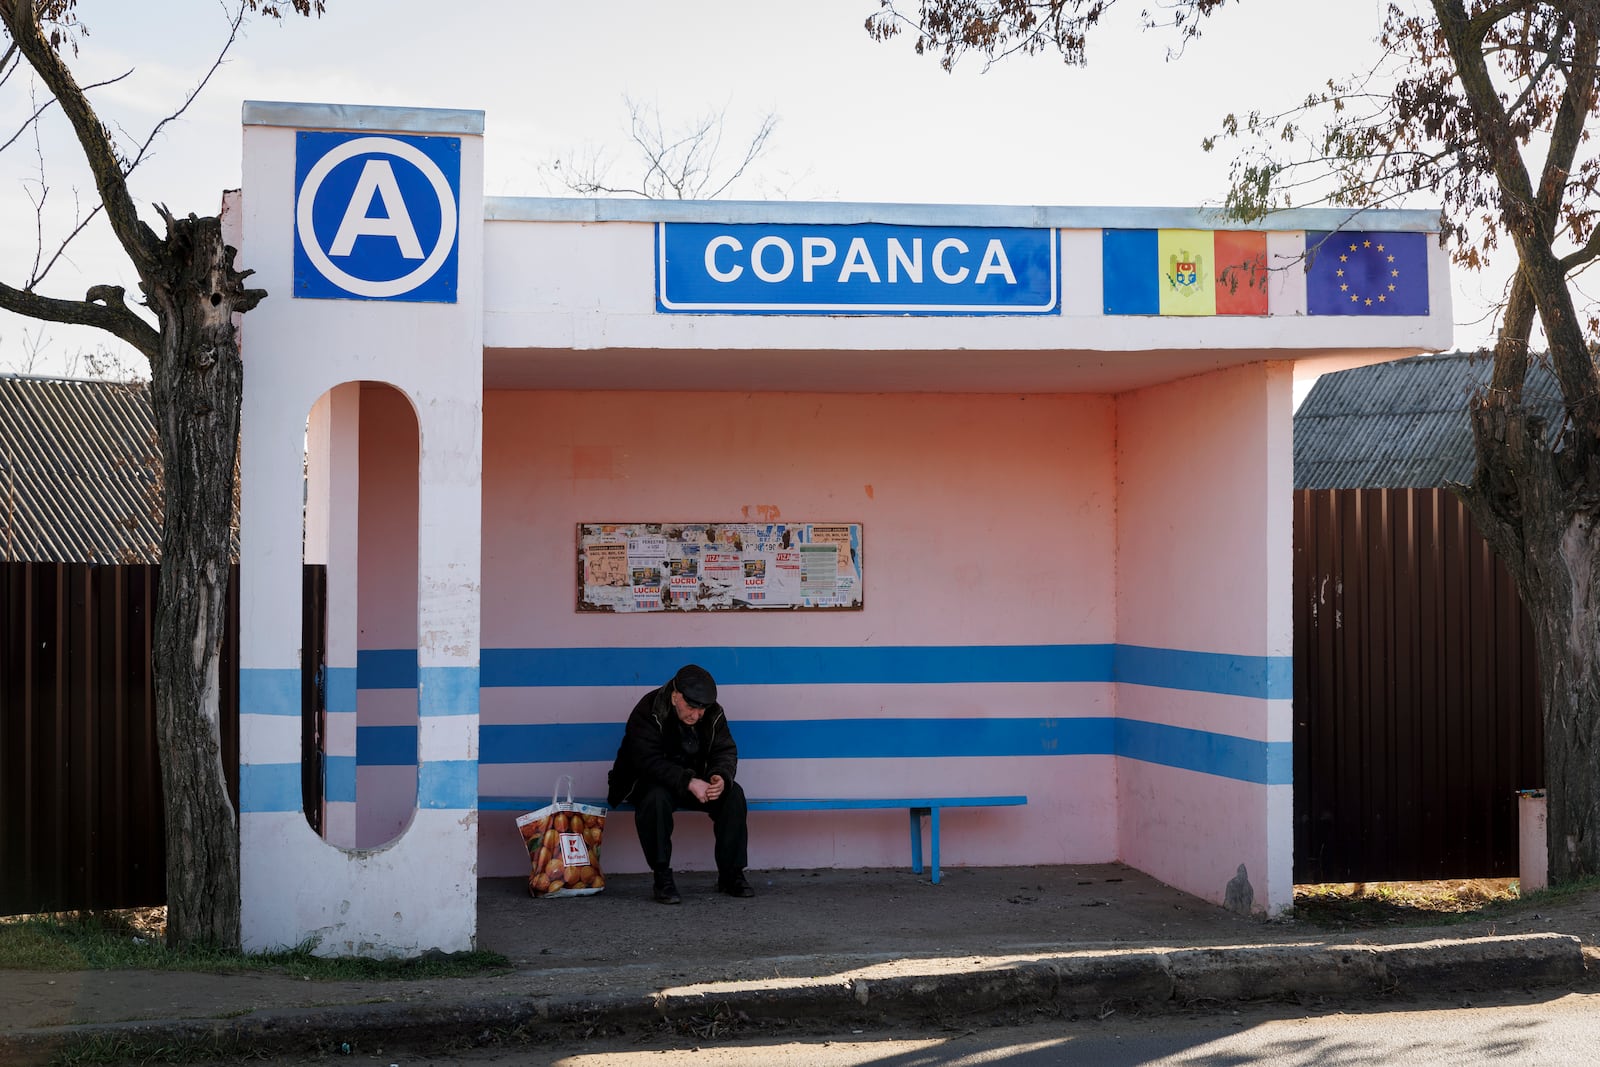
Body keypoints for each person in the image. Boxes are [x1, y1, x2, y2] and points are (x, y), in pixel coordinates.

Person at [606, 664, 753, 903]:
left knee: (733, 794)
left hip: (693, 781)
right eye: (691, 707)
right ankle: (662, 877)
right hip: (647, 781)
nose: (697, 715)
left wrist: (719, 776)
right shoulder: (648, 710)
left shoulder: (714, 713)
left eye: (702, 709)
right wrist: (688, 782)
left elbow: (725, 750)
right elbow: (646, 761)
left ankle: (731, 875)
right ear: (675, 696)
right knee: (655, 799)